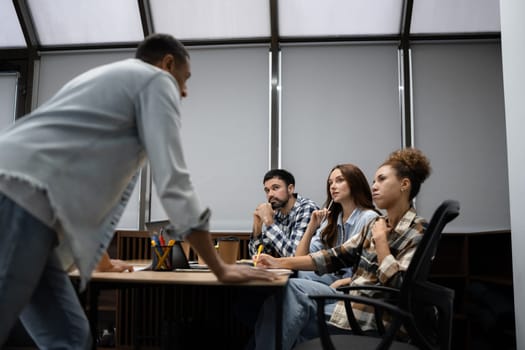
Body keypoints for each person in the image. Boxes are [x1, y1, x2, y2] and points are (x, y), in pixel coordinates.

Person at [0, 33, 275, 349]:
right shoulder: (155, 81)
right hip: (20, 200)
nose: (184, 92)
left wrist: (102, 262)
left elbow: (85, 186)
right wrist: (220, 268)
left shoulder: (107, 82)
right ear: (167, 63)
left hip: (31, 206)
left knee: (70, 337)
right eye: (184, 80)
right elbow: (174, 184)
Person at [251, 147, 432, 350]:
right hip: (352, 304)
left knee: (284, 311)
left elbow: (399, 285)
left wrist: (381, 242)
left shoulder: (418, 229)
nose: (374, 186)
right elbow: (332, 257)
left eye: (381, 180)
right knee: (278, 309)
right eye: (373, 181)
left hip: (374, 316)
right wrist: (278, 262)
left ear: (404, 185)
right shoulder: (378, 224)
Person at [294, 163, 379, 287]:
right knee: (299, 275)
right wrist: (311, 228)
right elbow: (300, 260)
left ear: (355, 183)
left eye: (339, 181)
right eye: (330, 183)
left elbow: (370, 271)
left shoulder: (369, 218)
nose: (333, 186)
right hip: (333, 281)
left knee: (296, 287)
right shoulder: (331, 220)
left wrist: (342, 283)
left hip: (355, 286)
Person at [248, 169, 319, 257]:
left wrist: (269, 223)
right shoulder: (276, 213)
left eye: (275, 188)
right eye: (267, 190)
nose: (270, 194)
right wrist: (257, 226)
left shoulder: (306, 209)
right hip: (289, 269)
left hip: (311, 270)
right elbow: (257, 256)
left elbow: (296, 257)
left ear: (290, 189)